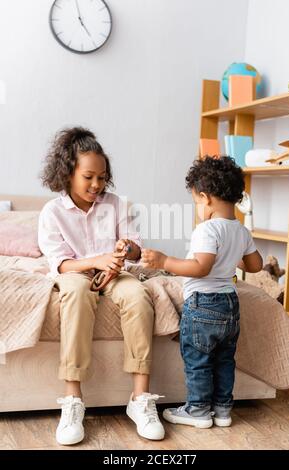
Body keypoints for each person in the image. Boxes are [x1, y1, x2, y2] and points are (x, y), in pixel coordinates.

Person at [38, 127, 165, 445]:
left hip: (115, 272)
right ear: (68, 173)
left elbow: (137, 251)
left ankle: (140, 399)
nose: (97, 185)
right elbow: (59, 263)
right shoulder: (52, 212)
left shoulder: (118, 205)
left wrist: (126, 249)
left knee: (138, 294)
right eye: (88, 177)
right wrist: (97, 260)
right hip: (76, 272)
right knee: (77, 294)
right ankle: (72, 400)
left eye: (102, 177)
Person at [141, 156, 263, 429]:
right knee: (224, 360)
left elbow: (200, 267)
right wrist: (235, 253)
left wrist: (164, 262)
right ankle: (222, 410)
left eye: (196, 201)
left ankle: (197, 410)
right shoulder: (240, 230)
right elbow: (256, 265)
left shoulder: (207, 229)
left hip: (203, 304)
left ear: (206, 198)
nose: (197, 206)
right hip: (230, 305)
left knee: (198, 360)